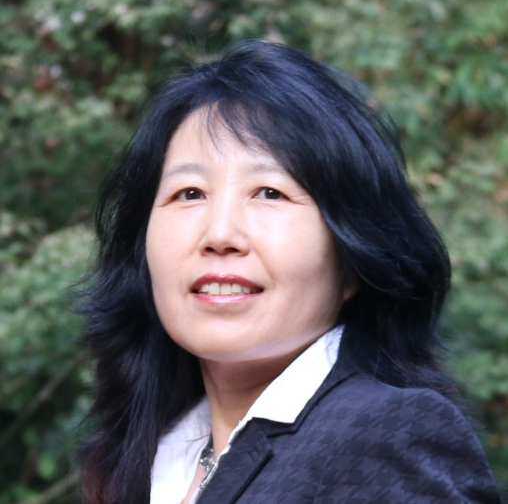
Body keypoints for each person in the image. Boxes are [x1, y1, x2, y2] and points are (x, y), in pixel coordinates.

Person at [78, 40, 501, 504]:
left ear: (352, 259)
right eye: (190, 193)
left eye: (270, 192)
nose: (220, 234)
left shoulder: (388, 435)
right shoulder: (142, 462)